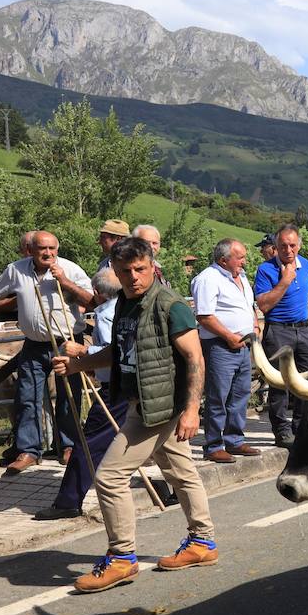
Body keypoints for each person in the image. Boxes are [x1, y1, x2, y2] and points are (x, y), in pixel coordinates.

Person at [53, 235, 218, 593]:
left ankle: (122, 558)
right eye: (125, 271)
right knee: (181, 471)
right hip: (140, 402)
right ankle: (202, 543)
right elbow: (118, 352)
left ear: (152, 267)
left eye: (140, 270)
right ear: (114, 271)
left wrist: (191, 410)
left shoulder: (170, 306)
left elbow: (195, 358)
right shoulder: (126, 304)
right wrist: (80, 363)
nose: (134, 277)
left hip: (157, 409)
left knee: (109, 477)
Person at [0, 230, 94, 473]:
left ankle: (68, 447)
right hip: (34, 344)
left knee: (69, 396)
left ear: (57, 249)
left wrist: (65, 282)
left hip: (67, 341)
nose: (48, 253)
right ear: (31, 250)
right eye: (42, 249)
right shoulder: (16, 269)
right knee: (27, 397)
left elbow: (92, 300)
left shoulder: (71, 269)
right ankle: (29, 451)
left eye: (52, 249)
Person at [34, 268, 129, 520]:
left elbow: (113, 352)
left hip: (116, 390)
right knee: (148, 439)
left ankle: (68, 501)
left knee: (89, 444)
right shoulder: (126, 308)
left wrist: (82, 351)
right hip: (132, 386)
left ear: (96, 293)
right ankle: (172, 486)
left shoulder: (109, 314)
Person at [191, 239, 260, 464]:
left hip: (243, 345)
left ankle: (234, 440)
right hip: (220, 346)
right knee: (218, 397)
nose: (244, 261)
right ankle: (213, 445)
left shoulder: (240, 278)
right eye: (239, 257)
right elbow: (204, 316)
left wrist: (255, 325)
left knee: (240, 394)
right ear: (223, 260)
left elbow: (248, 306)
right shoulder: (207, 279)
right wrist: (230, 337)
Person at [254, 225, 308, 447]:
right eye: (283, 246)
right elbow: (264, 305)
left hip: (304, 329)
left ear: (298, 245)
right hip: (278, 330)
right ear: (275, 247)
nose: (288, 250)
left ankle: (301, 427)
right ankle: (282, 432)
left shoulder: (307, 265)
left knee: (307, 380)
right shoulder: (265, 270)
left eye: (292, 245)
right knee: (280, 384)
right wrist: (285, 280)